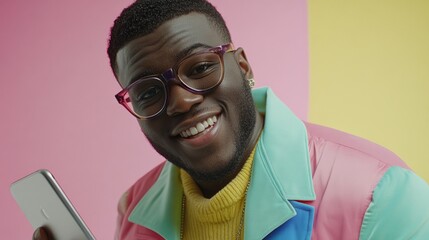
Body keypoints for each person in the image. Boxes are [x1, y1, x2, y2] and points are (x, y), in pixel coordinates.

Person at [34, 0, 429, 239]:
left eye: (201, 66)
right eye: (148, 92)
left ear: (242, 65)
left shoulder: (383, 195)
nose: (183, 101)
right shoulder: (135, 210)